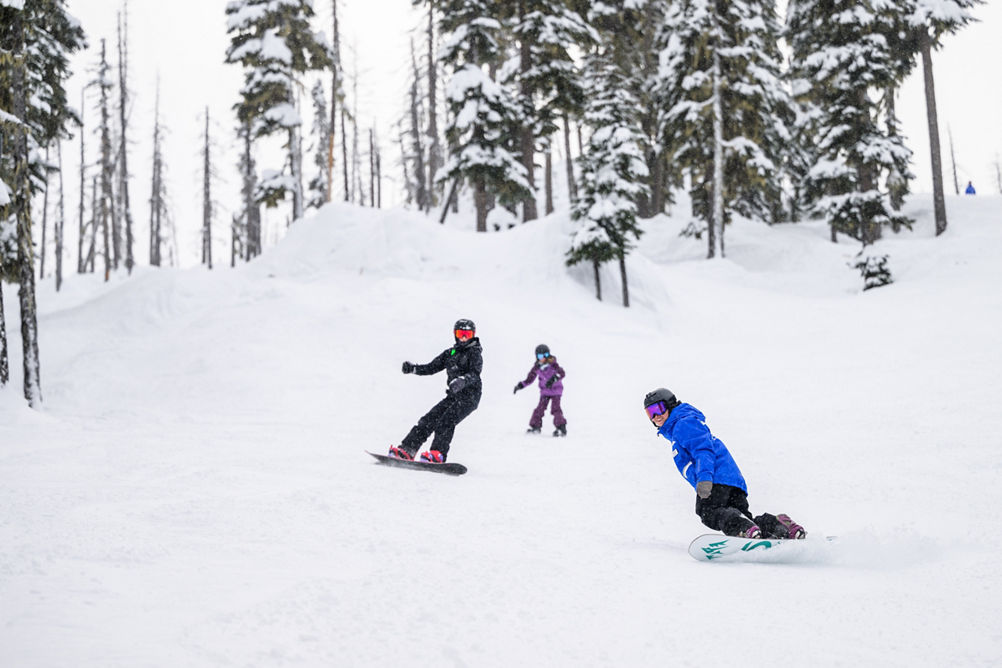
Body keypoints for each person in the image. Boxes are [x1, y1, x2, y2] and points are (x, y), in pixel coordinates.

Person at [643, 388, 806, 540]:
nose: (656, 415)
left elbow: (703, 451)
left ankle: (743, 529)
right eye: (650, 412)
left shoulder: (683, 424)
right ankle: (780, 526)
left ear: (670, 405)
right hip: (731, 480)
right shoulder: (683, 425)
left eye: (659, 408)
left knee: (707, 511)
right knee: (745, 520)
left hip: (715, 479)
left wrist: (704, 479)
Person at [388, 319, 483, 463]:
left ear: (473, 335)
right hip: (453, 396)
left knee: (447, 420)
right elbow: (431, 367)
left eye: (467, 334)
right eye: (460, 333)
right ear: (455, 335)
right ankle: (407, 449)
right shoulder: (450, 353)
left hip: (470, 397)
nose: (464, 338)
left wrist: (462, 380)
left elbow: (475, 374)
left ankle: (438, 454)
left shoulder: (474, 353)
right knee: (429, 419)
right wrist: (413, 368)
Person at [513, 344, 567, 436]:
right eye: (540, 356)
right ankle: (535, 427)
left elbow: (561, 373)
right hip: (545, 392)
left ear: (548, 355)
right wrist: (520, 386)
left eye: (545, 355)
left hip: (556, 391)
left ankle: (561, 428)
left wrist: (553, 379)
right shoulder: (537, 367)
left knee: (555, 409)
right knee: (539, 409)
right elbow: (529, 379)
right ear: (537, 356)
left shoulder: (553, 364)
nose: (543, 358)